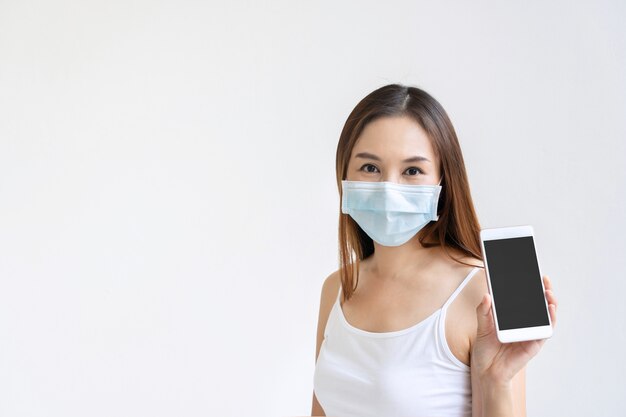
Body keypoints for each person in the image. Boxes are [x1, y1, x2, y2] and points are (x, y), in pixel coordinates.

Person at [311, 84, 558, 417]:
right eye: (370, 168)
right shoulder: (337, 288)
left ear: (443, 182)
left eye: (412, 171)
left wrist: (497, 382)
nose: (389, 189)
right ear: (344, 173)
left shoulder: (482, 292)